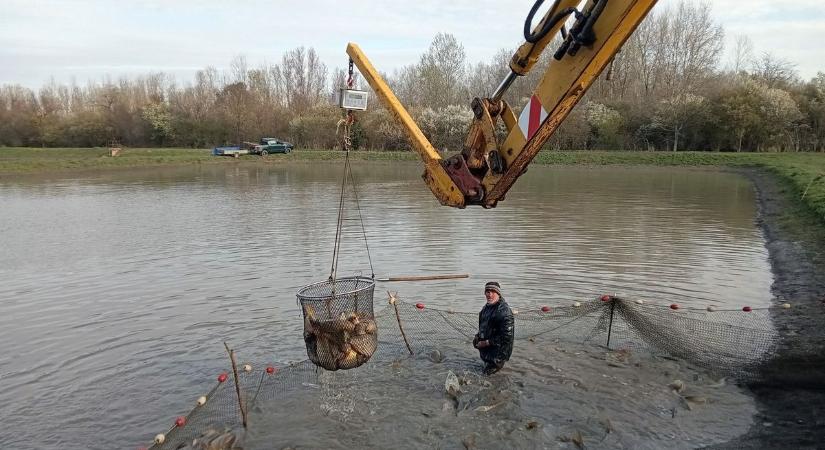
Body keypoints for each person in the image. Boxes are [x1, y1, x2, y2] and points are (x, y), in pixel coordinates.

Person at [473, 281, 514, 375]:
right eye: (487, 291)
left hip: (498, 356)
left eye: (492, 291)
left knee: (485, 378)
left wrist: (486, 342)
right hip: (488, 353)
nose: (489, 294)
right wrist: (477, 337)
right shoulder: (486, 308)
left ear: (498, 293)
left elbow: (506, 337)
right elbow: (484, 327)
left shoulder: (504, 312)